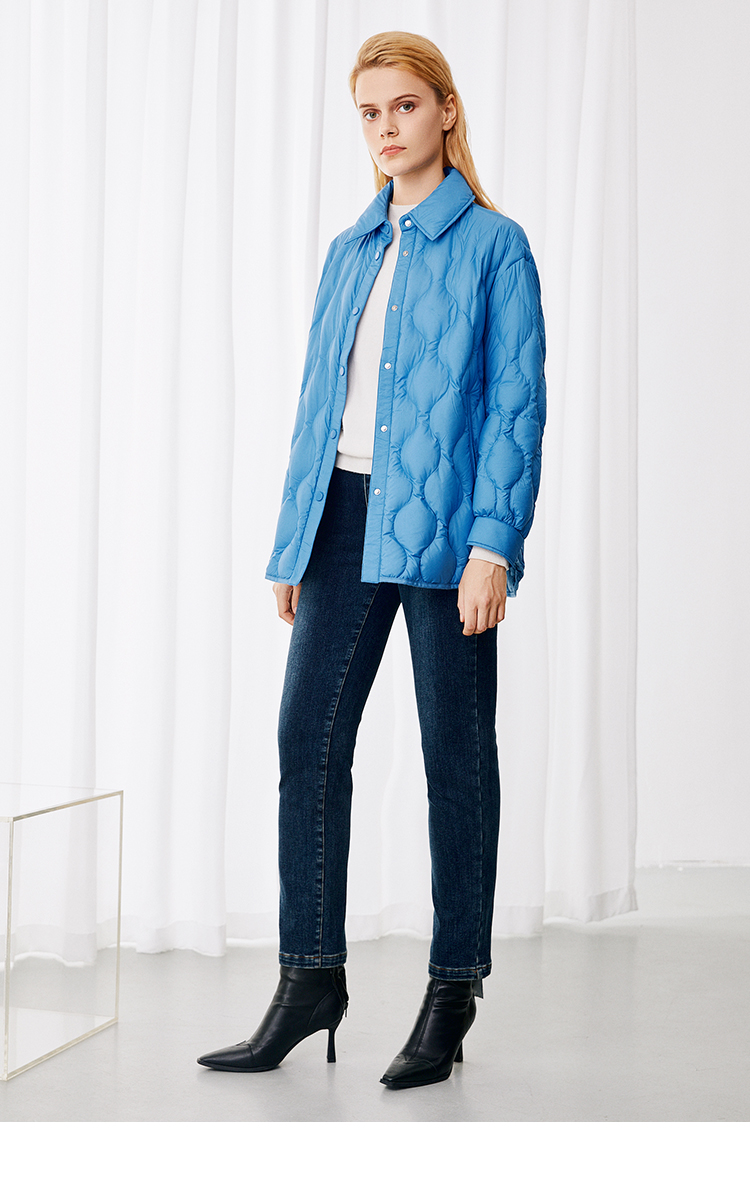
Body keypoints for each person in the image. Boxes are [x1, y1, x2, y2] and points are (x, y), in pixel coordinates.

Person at [198, 30, 546, 1090]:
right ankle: (310, 978)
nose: (385, 129)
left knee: (455, 760)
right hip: (343, 520)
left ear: (445, 110)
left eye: (403, 106)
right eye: (368, 112)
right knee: (306, 742)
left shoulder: (496, 246)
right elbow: (319, 406)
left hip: (447, 528)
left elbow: (515, 410)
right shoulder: (352, 250)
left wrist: (493, 546)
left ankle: (453, 987)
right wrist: (294, 537)